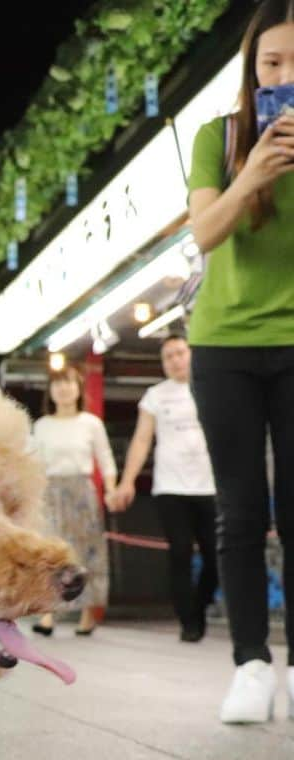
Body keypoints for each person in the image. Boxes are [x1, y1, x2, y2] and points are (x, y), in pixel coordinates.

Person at [186, 1, 294, 723]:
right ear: (252, 71)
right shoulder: (216, 138)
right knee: (239, 510)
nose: (284, 76)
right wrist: (252, 171)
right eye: (273, 64)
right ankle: (251, 664)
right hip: (221, 343)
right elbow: (205, 233)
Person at [109, 335, 217, 642]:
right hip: (170, 487)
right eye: (168, 356)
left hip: (209, 485)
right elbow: (142, 439)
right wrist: (127, 480)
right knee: (180, 552)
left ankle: (201, 603)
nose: (175, 360)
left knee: (214, 555)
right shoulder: (155, 396)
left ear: (191, 354)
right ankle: (189, 622)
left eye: (180, 353)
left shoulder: (211, 386)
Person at [30, 365, 117, 636]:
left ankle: (87, 614)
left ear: (78, 389)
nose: (63, 389)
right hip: (50, 491)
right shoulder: (41, 425)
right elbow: (31, 463)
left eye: (68, 383)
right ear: (50, 391)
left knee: (86, 552)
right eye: (57, 384)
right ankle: (47, 613)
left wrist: (112, 490)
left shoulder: (91, 423)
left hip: (82, 491)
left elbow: (106, 460)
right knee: (50, 554)